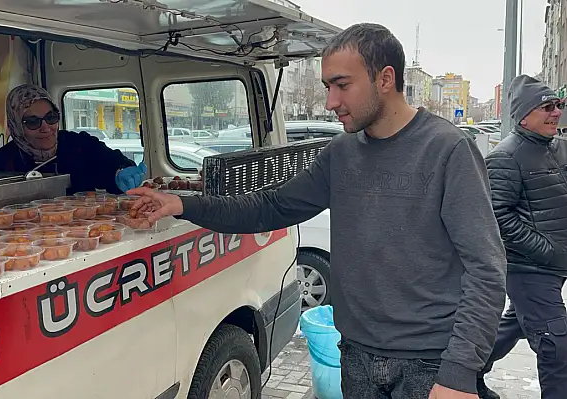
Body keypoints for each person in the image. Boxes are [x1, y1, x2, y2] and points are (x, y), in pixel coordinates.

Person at [128, 23, 507, 399]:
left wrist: (459, 373)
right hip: (357, 356)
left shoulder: (448, 149)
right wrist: (181, 203)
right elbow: (271, 206)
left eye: (342, 85)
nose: (331, 102)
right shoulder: (341, 154)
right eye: (328, 87)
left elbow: (487, 269)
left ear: (385, 78)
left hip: (430, 363)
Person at [478, 75, 567, 399]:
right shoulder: (505, 157)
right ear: (524, 114)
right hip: (530, 270)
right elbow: (498, 217)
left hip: (552, 268)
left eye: (557, 105)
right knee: (557, 347)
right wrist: (548, 251)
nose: (556, 112)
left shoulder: (556, 148)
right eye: (547, 107)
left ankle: (465, 373)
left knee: (511, 325)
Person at [0, 84, 145, 194]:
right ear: (16, 126)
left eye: (51, 117)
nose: (45, 128)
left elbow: (111, 162)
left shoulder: (79, 145)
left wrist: (121, 172)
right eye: (32, 122)